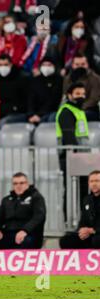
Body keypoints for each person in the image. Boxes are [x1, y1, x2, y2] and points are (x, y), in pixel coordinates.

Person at [56, 83, 90, 220]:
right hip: (71, 157)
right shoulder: (66, 111)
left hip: (80, 157)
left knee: (82, 191)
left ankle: (82, 222)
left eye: (83, 94)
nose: (81, 96)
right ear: (69, 95)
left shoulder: (78, 111)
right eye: (77, 94)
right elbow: (69, 139)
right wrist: (79, 158)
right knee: (71, 190)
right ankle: (69, 223)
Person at [0, 173, 46, 249]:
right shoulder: (7, 200)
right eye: (15, 183)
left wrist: (25, 231)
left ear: (27, 184)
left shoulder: (36, 197)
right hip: (9, 233)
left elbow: (39, 217)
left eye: (21, 183)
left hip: (29, 233)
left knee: (26, 241)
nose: (18, 186)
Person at [59, 170, 100, 249]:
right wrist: (82, 231)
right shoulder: (87, 200)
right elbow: (83, 220)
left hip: (97, 233)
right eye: (91, 181)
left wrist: (93, 230)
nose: (94, 184)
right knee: (65, 241)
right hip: (90, 234)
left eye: (97, 181)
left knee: (96, 240)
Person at [62, 54, 100, 121]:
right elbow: (66, 95)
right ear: (73, 65)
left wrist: (78, 109)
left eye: (83, 64)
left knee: (75, 117)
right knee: (53, 117)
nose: (80, 66)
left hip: (90, 110)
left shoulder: (95, 78)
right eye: (77, 64)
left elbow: (94, 99)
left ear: (87, 65)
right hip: (71, 109)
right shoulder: (67, 79)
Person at [0, 53, 29, 126]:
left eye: (6, 65)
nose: (3, 67)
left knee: (3, 123)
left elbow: (25, 101)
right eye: (0, 65)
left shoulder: (21, 78)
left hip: (16, 113)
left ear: (11, 65)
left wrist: (14, 108)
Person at [27, 57, 63, 124]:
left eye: (49, 65)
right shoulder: (35, 80)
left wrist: (39, 115)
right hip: (33, 115)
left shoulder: (59, 80)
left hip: (50, 113)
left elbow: (54, 100)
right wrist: (31, 114)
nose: (46, 67)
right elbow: (31, 99)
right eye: (44, 65)